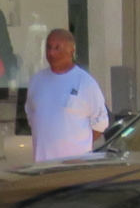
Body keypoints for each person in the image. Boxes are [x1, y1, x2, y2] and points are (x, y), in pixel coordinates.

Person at [26, 28, 109, 161]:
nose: (51, 53)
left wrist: (79, 147)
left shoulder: (85, 83)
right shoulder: (36, 81)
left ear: (71, 50)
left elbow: (100, 124)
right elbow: (32, 116)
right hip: (42, 166)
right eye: (48, 47)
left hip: (75, 169)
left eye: (57, 48)